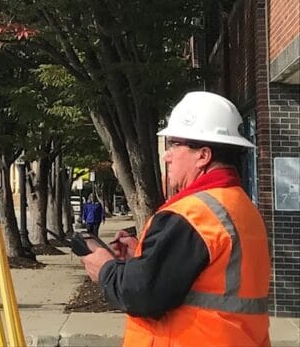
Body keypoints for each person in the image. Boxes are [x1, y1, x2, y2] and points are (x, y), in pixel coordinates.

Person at [78, 90, 270, 347]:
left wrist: (104, 268)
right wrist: (145, 257)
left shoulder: (193, 214)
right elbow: (207, 280)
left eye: (174, 144)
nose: (167, 155)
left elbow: (142, 296)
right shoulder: (240, 206)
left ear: (203, 155)